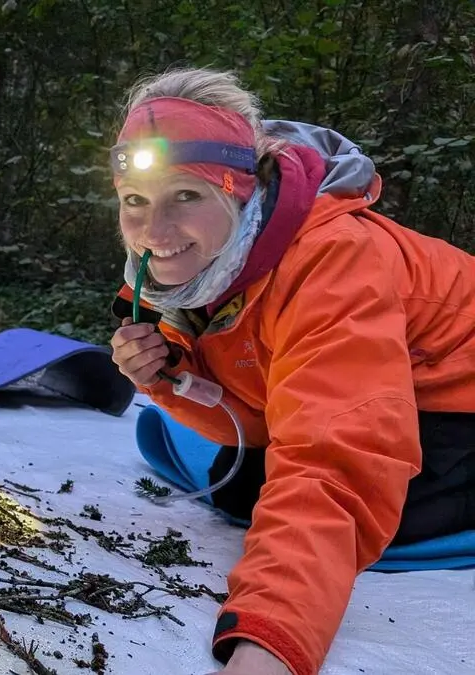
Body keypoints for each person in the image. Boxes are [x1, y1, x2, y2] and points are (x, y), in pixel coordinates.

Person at [106, 67, 475, 675]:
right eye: (136, 202)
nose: (155, 232)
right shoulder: (186, 274)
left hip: (456, 402)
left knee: (351, 513)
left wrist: (268, 641)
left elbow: (337, 456)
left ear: (240, 193)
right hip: (393, 391)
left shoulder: (332, 260)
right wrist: (169, 377)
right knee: (245, 485)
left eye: (187, 196)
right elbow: (254, 416)